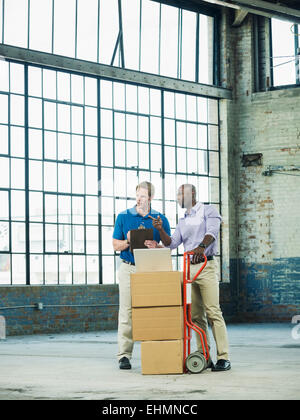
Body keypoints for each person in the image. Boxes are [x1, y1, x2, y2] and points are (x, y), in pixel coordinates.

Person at [146, 184, 231, 372]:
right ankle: (204, 355)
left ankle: (223, 357)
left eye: (179, 194)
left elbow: (212, 233)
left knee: (213, 312)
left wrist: (201, 248)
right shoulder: (183, 220)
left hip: (206, 266)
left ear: (190, 194)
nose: (177, 197)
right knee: (195, 315)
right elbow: (171, 244)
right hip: (188, 269)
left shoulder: (208, 210)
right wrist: (159, 234)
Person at [112, 181, 171, 370]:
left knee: (151, 309)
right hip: (128, 267)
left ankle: (153, 351)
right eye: (137, 195)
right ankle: (124, 355)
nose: (139, 199)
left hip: (150, 268)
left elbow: (169, 246)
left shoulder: (160, 219)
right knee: (126, 311)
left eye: (143, 196)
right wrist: (128, 240)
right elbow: (115, 245)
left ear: (151, 198)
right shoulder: (123, 217)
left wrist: (157, 246)